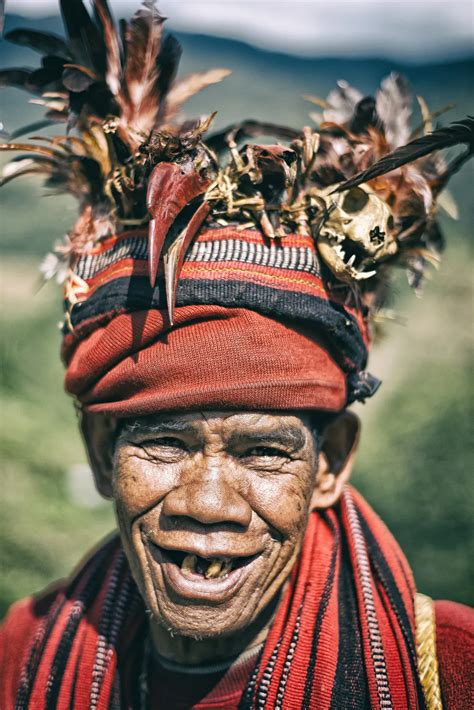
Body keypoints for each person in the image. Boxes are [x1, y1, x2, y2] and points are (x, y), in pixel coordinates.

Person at [0, 1, 473, 708]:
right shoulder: (21, 655)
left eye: (262, 453)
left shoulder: (455, 672)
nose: (210, 503)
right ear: (102, 451)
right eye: (162, 443)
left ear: (332, 462)